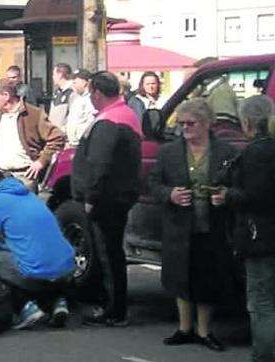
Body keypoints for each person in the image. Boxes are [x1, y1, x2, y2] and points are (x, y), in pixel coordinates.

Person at [148, 98, 237, 351]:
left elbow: (238, 185)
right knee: (180, 276)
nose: (185, 128)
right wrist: (170, 194)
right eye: (182, 124)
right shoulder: (169, 152)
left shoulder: (226, 152)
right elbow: (153, 184)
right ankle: (184, 328)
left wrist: (224, 195)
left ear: (207, 124)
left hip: (212, 225)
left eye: (191, 123)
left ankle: (204, 330)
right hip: (179, 225)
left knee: (207, 277)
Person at [71, 71, 141, 327]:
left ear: (98, 93)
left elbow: (100, 164)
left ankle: (113, 310)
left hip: (106, 199)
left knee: (107, 255)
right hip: (119, 196)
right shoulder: (126, 115)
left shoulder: (110, 121)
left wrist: (90, 197)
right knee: (112, 253)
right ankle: (114, 306)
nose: (90, 98)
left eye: (91, 93)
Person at [0, 168, 75, 329]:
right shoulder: (31, 197)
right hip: (66, 272)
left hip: (36, 275)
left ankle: (25, 307)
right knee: (36, 260)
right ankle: (59, 302)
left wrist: (3, 244)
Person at [217, 95, 275, 361]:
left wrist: (226, 195)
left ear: (246, 122)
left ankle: (264, 355)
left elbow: (255, 196)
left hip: (260, 235)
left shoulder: (256, 153)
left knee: (261, 301)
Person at [0, 78, 65, 193]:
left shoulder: (33, 114)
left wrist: (41, 161)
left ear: (6, 96)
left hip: (24, 176)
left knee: (25, 209)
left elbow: (57, 137)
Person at [65, 68, 95, 146]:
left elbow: (91, 123)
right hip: (73, 143)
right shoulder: (76, 98)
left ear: (84, 83)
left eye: (75, 82)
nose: (73, 85)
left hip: (84, 143)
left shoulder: (91, 100)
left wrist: (77, 134)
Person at [48, 63, 74, 131]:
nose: (52, 77)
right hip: (55, 134)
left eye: (54, 74)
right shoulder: (57, 92)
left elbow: (74, 114)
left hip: (65, 134)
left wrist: (65, 129)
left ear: (60, 75)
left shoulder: (72, 92)